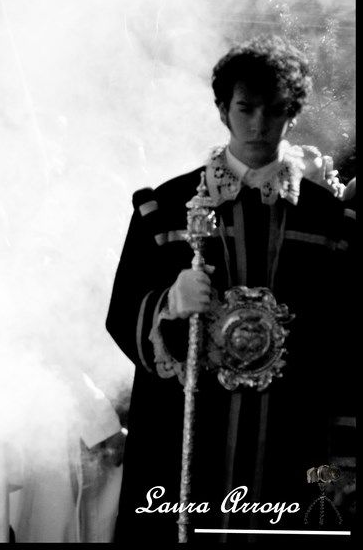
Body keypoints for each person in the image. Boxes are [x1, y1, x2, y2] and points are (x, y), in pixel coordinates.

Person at [106, 35, 355, 542]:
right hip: (186, 443)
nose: (259, 125)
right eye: (246, 108)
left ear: (293, 113)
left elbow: (351, 342)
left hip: (292, 441)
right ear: (223, 109)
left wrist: (343, 463)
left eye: (275, 110)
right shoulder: (165, 209)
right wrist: (168, 304)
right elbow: (122, 312)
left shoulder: (332, 222)